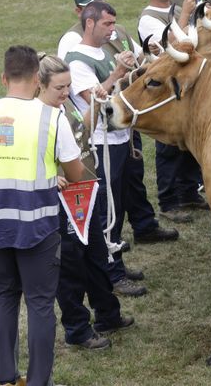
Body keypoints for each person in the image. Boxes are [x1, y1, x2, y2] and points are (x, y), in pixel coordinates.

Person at [0, 45, 84, 386]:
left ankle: (6, 377)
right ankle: (39, 380)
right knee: (40, 302)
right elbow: (76, 170)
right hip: (38, 224)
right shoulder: (51, 118)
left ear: (3, 77)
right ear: (37, 82)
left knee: (5, 295)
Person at [65, 0, 179, 298]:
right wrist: (117, 74)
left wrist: (133, 71)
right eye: (107, 24)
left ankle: (115, 262)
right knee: (106, 211)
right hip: (101, 145)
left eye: (113, 24)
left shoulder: (103, 52)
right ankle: (110, 274)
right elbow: (98, 101)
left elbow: (119, 91)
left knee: (118, 205)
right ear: (89, 23)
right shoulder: (77, 60)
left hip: (120, 139)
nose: (112, 30)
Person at [38, 55, 135, 351]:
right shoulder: (35, 117)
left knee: (95, 253)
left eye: (68, 86)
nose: (66, 92)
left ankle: (107, 313)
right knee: (70, 265)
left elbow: (82, 134)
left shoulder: (62, 106)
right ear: (38, 85)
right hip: (61, 198)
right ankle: (77, 329)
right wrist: (48, 177)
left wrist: (92, 104)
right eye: (59, 88)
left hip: (84, 188)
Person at [138, 0, 208, 225]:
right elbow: (170, 47)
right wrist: (187, 15)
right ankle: (168, 202)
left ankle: (189, 191)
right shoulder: (148, 18)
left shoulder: (173, 9)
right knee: (168, 147)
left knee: (187, 141)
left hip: (183, 85)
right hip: (164, 89)